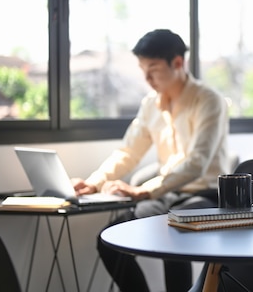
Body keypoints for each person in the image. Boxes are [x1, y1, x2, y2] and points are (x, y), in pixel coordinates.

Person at [72, 29, 231, 292]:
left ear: (178, 63)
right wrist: (94, 183)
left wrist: (144, 190)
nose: (147, 78)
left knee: (172, 230)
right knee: (110, 239)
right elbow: (128, 152)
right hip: (165, 195)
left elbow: (197, 162)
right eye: (142, 69)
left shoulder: (209, 100)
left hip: (207, 195)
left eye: (153, 69)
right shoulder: (150, 105)